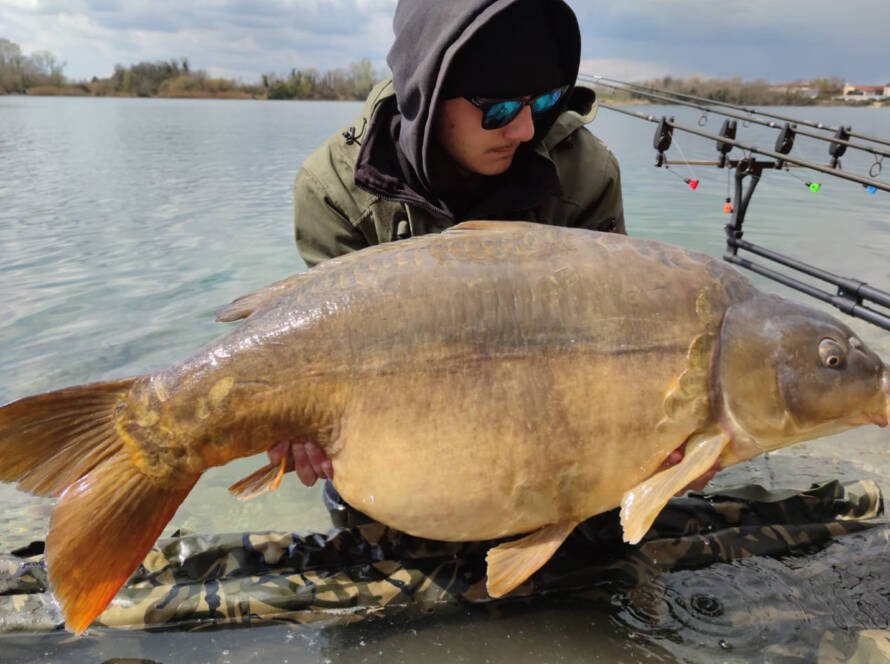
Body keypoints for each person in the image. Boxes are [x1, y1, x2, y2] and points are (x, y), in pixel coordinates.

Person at [268, 0, 714, 516]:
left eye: (543, 100)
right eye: (499, 108)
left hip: (554, 435)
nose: (524, 129)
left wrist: (669, 439)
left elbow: (618, 339)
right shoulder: (334, 189)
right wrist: (306, 428)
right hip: (400, 448)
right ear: (428, 95)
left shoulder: (586, 172)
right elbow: (328, 365)